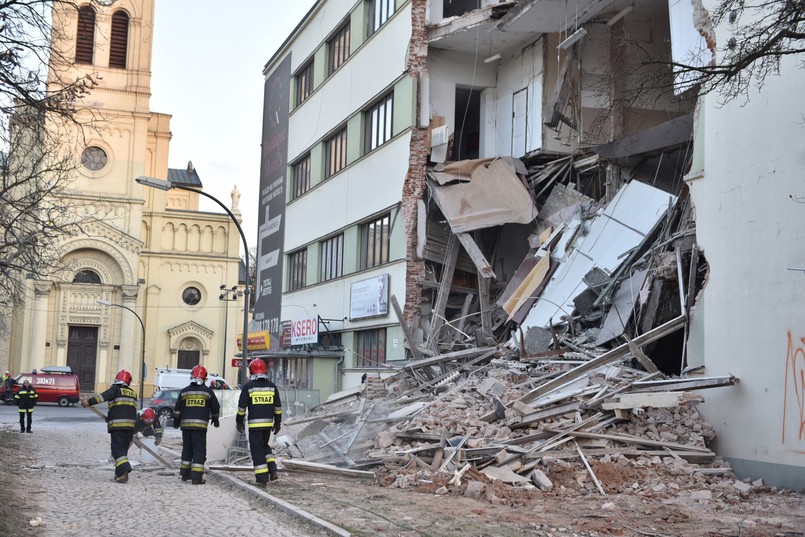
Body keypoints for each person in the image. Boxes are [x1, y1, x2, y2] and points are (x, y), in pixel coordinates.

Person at [82, 370, 138, 484]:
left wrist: (88, 402)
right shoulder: (133, 393)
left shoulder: (115, 390)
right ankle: (119, 474)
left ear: (117, 379)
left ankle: (124, 469)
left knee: (117, 450)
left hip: (118, 425)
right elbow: (126, 409)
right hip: (130, 426)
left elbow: (101, 398)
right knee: (123, 450)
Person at [236, 358, 282, 486]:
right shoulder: (272, 387)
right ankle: (272, 469)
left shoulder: (248, 387)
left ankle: (262, 478)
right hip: (268, 424)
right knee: (264, 446)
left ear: (251, 371)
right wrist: (277, 422)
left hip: (255, 425)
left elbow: (241, 408)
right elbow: (277, 407)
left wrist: (239, 421)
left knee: (256, 450)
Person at [173, 365, 220, 485]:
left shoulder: (184, 392)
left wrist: (176, 421)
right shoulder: (208, 392)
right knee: (199, 451)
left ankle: (184, 474)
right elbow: (215, 407)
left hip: (186, 427)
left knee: (187, 449)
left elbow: (177, 409)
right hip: (200, 428)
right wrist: (215, 419)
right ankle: (196, 477)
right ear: (204, 378)